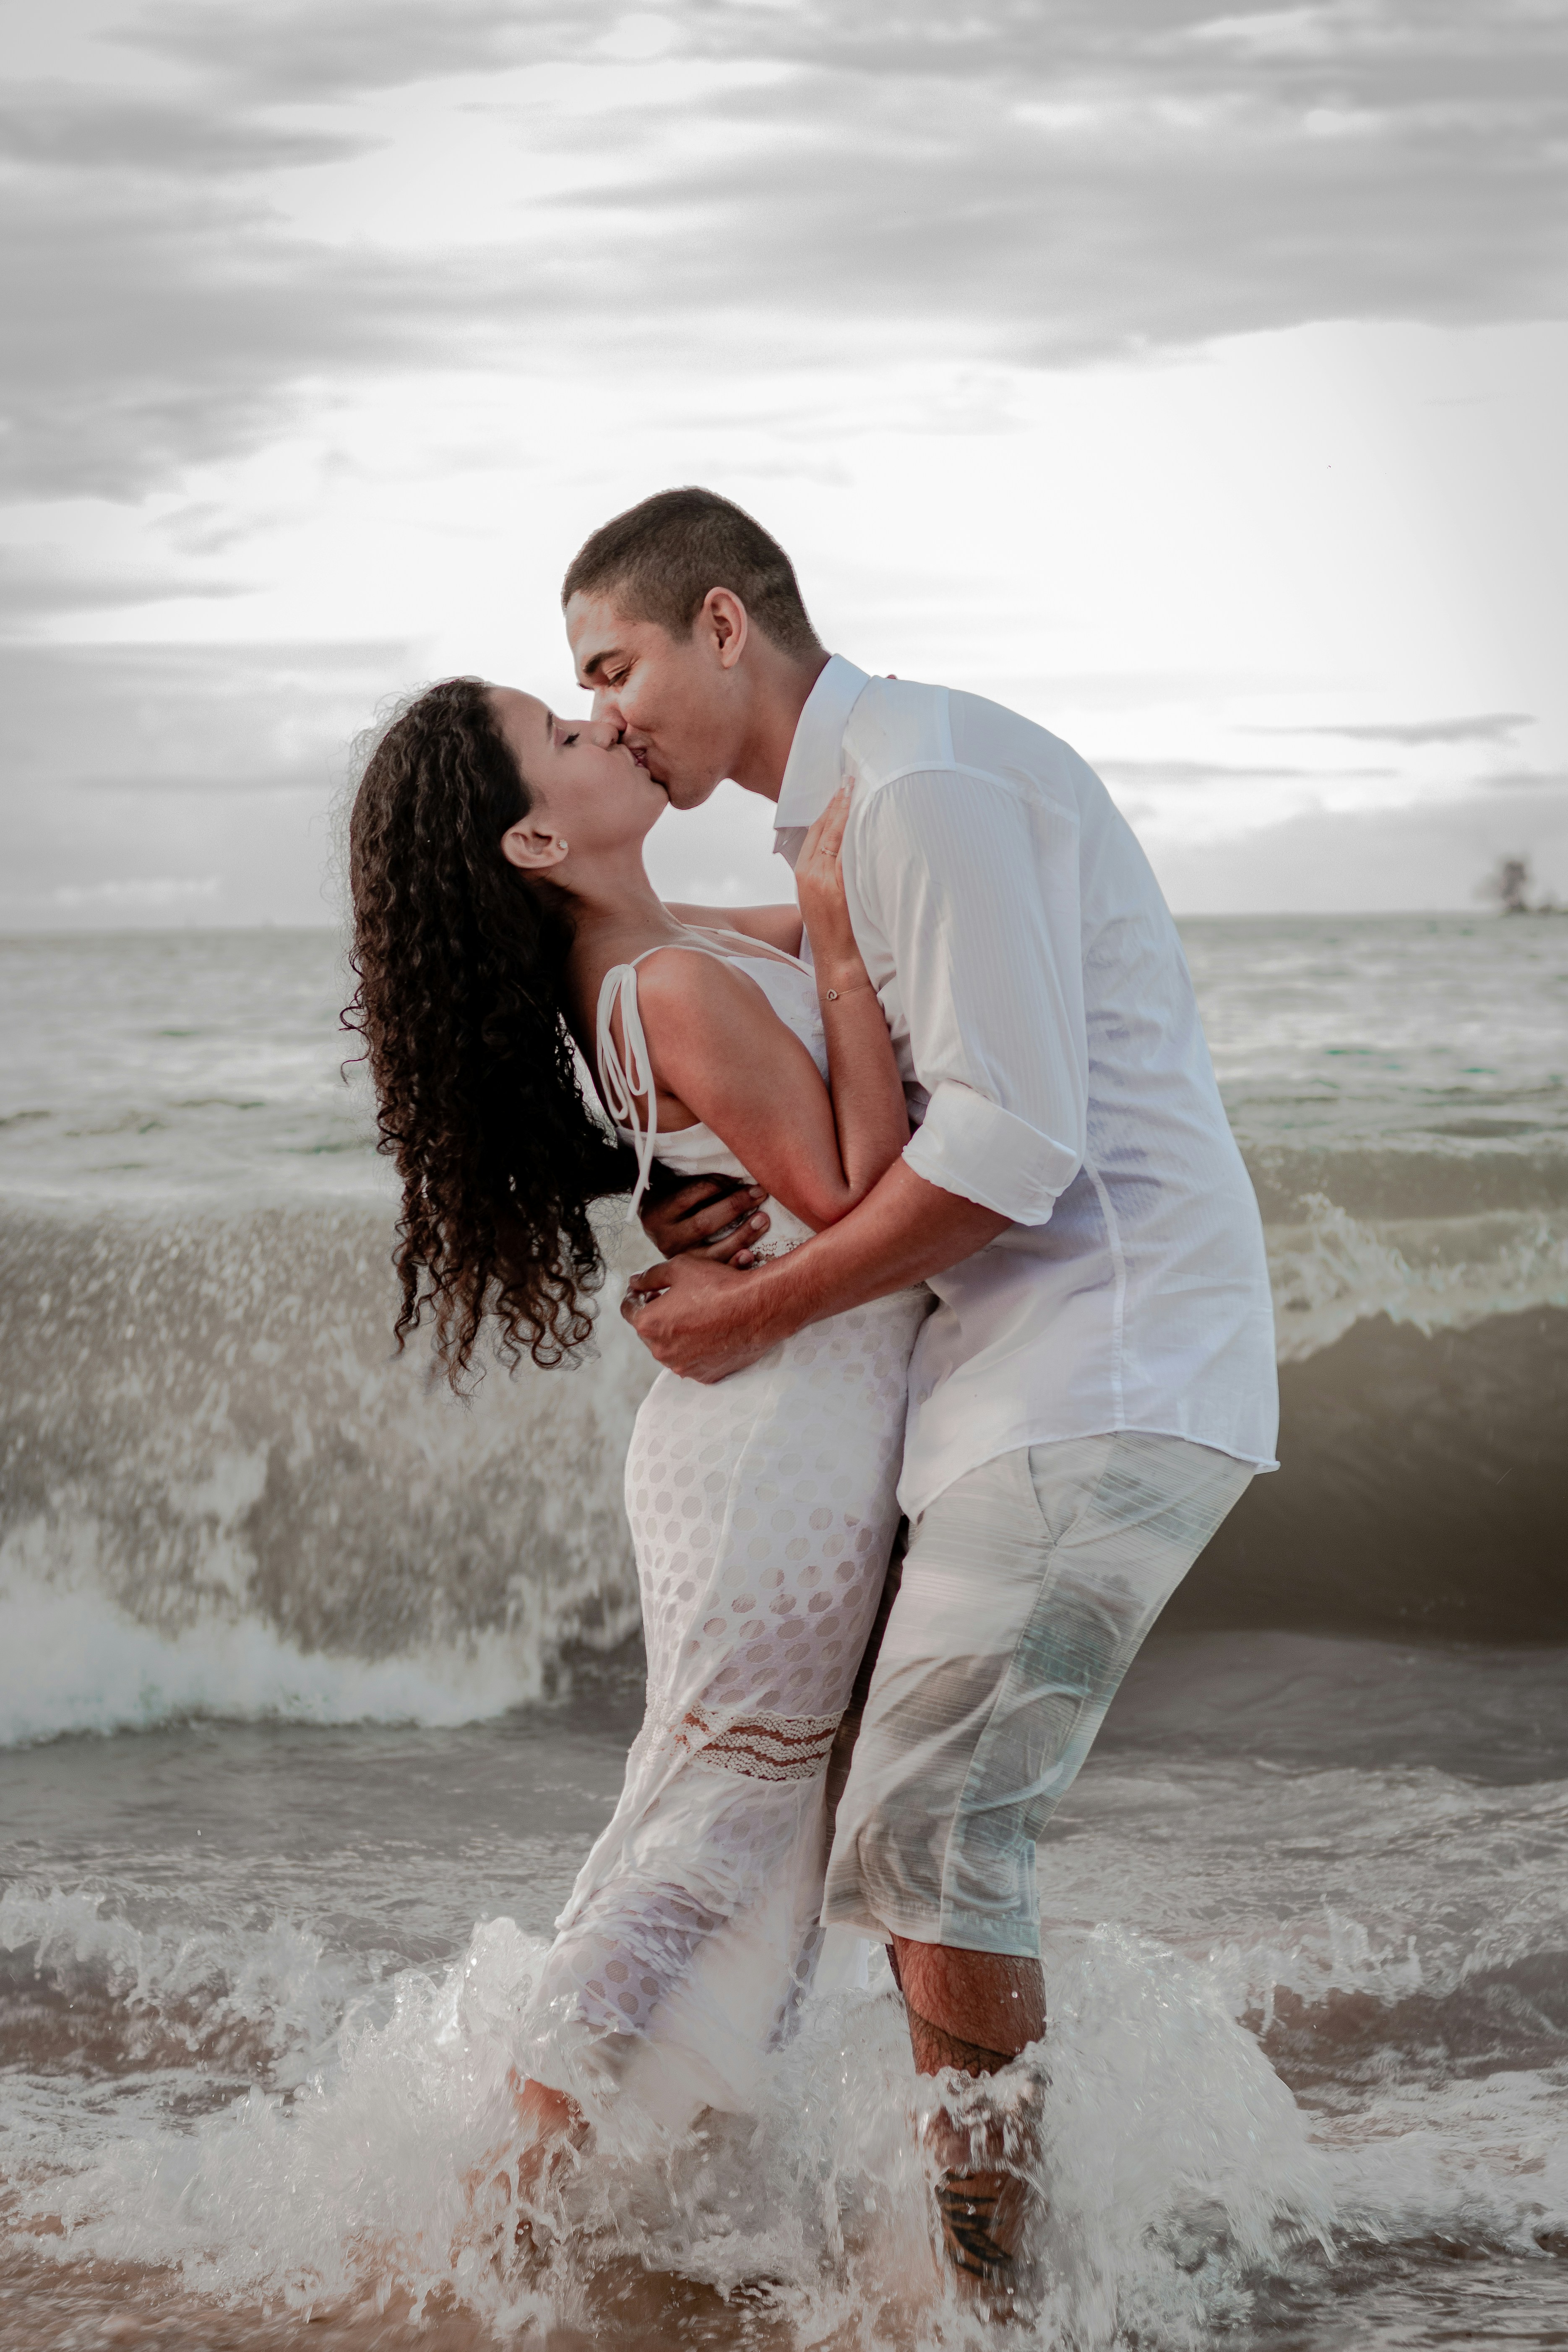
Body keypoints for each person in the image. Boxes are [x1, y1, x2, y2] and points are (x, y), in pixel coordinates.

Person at [561, 487, 1280, 2288]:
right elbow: (795, 992)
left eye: (614, 662)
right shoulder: (861, 804)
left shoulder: (924, 784)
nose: (609, 709)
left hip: (1103, 1355)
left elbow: (1010, 1146)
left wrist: (757, 1309)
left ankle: (990, 2307)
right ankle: (948, 2266)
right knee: (888, 1836)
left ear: (723, 625)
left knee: (934, 1827)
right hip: (1009, 1372)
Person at [344, 677, 931, 2177]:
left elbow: (799, 946)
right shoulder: (658, 980)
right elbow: (851, 1191)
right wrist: (852, 953)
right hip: (778, 1447)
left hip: (772, 1428)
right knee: (726, 1815)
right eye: (563, 733)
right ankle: (512, 2192)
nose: (604, 728)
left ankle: (630, 2173)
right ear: (535, 837)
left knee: (747, 1811)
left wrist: (841, 897)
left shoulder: (667, 953)